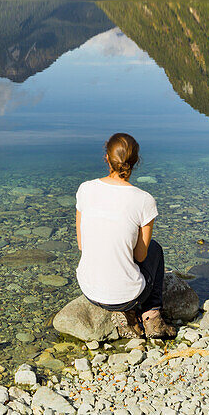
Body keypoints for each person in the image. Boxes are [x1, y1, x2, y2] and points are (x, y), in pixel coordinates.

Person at [74, 132, 176, 339]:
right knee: (154, 249)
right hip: (126, 297)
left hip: (90, 291)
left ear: (106, 158)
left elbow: (82, 245)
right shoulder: (144, 200)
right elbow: (140, 256)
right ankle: (151, 315)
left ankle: (125, 315)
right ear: (136, 162)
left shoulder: (85, 189)